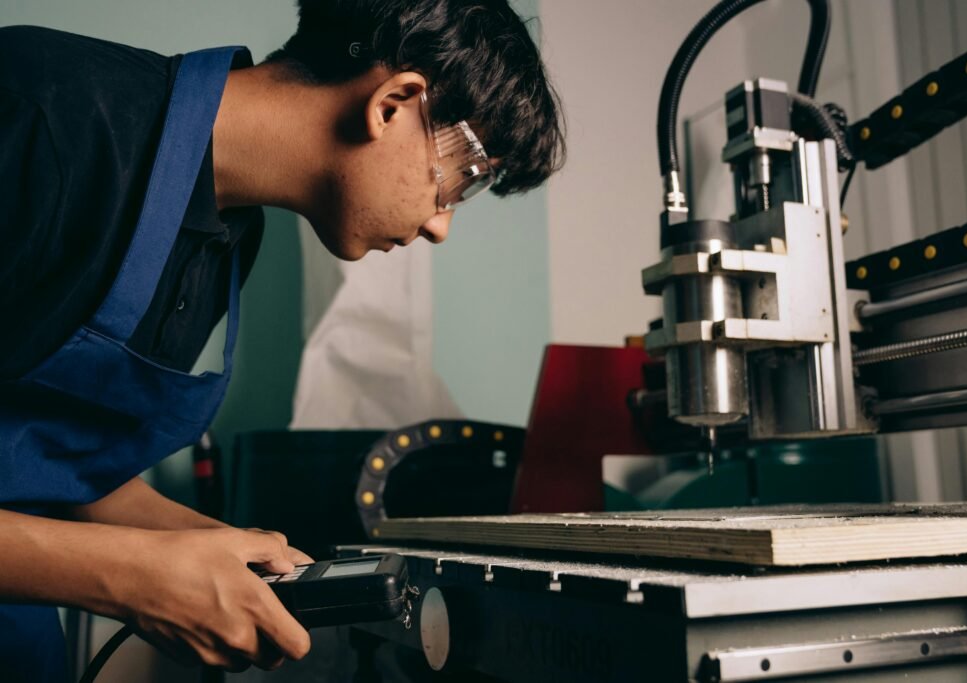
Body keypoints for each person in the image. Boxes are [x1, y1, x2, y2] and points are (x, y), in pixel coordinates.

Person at [0, 0, 565, 678]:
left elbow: (49, 463)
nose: (440, 227)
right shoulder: (34, 111)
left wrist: (211, 545)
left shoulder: (230, 238)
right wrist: (133, 578)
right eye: (460, 182)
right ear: (394, 104)